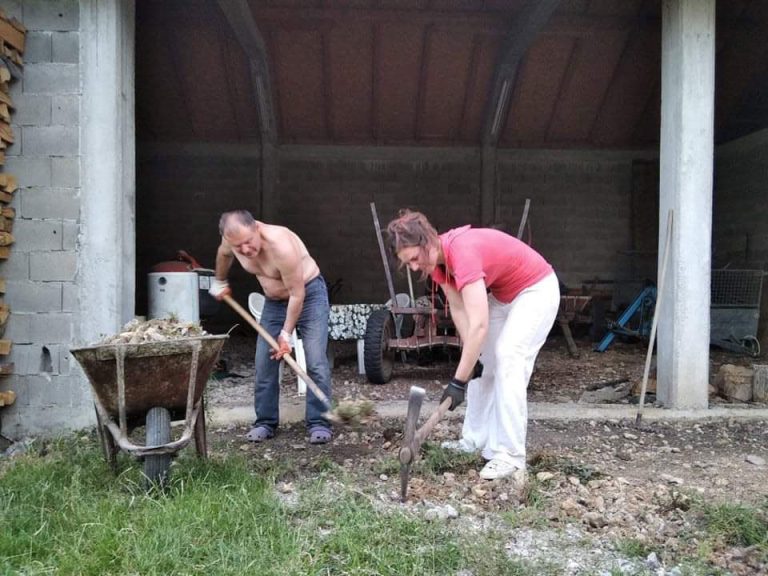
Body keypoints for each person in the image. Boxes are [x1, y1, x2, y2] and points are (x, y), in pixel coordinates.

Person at [386, 209, 560, 481]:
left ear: (427, 241)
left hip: (536, 290)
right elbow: (459, 309)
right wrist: (472, 357)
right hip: (505, 297)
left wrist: (457, 382)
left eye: (415, 259)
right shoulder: (438, 265)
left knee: (509, 357)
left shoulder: (462, 253)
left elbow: (479, 325)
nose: (415, 268)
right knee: (481, 362)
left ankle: (510, 455)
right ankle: (474, 440)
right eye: (408, 264)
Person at [209, 210, 333, 444]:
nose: (245, 249)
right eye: (238, 246)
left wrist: (285, 335)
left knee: (315, 360)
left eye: (248, 241)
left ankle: (319, 422)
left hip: (308, 296)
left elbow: (297, 295)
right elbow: (223, 254)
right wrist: (220, 280)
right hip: (274, 303)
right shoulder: (231, 241)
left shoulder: (281, 245)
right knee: (264, 363)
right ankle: (265, 422)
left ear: (256, 228)